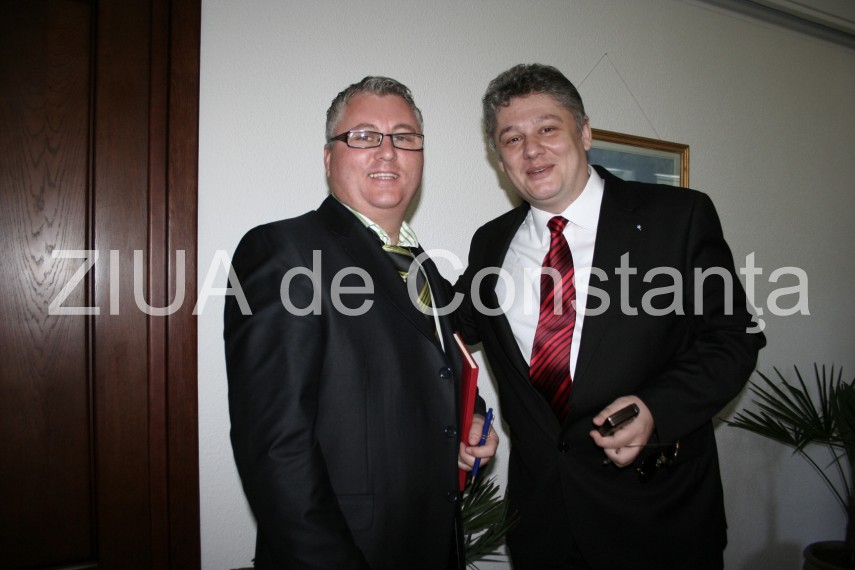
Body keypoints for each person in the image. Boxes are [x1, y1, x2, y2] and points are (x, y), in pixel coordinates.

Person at [455, 63, 766, 569]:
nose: (531, 150)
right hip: (543, 525)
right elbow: (444, 337)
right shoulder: (490, 243)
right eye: (512, 138)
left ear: (584, 132)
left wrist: (656, 410)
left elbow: (734, 337)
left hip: (659, 521)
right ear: (499, 157)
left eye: (548, 129)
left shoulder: (678, 218)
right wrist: (462, 411)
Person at [224, 76, 497, 570]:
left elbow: (434, 369)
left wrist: (469, 416)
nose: (388, 151)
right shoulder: (283, 253)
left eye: (404, 137)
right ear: (329, 157)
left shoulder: (425, 270)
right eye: (364, 135)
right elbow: (276, 449)